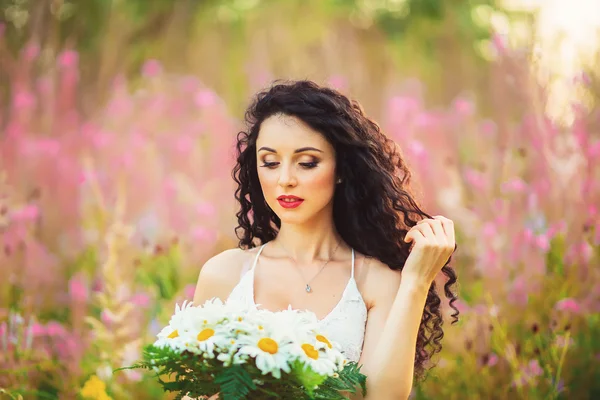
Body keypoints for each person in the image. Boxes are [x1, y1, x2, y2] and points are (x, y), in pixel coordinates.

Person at [190, 80, 459, 400]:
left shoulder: (375, 281)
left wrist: (416, 281)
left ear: (341, 169)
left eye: (307, 163)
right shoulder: (223, 274)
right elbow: (192, 390)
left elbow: (383, 397)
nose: (285, 180)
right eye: (270, 162)